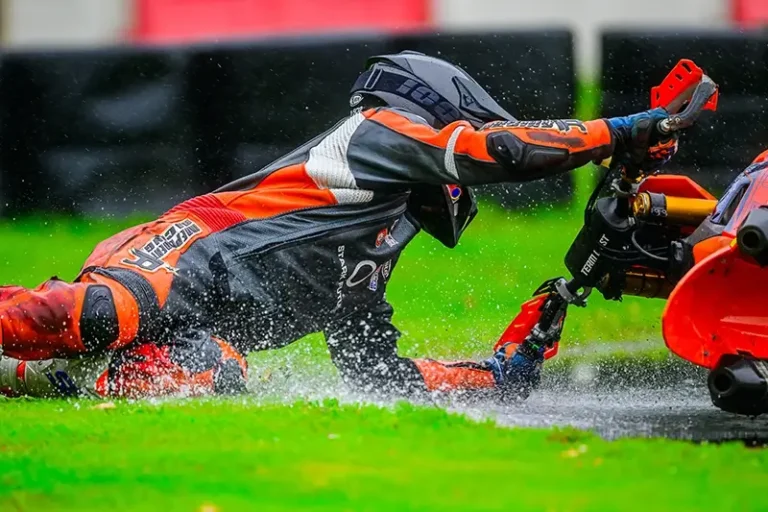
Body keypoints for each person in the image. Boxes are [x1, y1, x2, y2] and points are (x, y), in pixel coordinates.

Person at [0, 51, 677, 399]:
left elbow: (379, 378)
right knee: (97, 312)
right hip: (176, 255)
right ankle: (38, 346)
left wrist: (498, 376)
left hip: (199, 326)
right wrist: (622, 132)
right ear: (436, 108)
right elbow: (493, 153)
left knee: (216, 376)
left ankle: (44, 378)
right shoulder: (371, 135)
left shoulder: (371, 251)